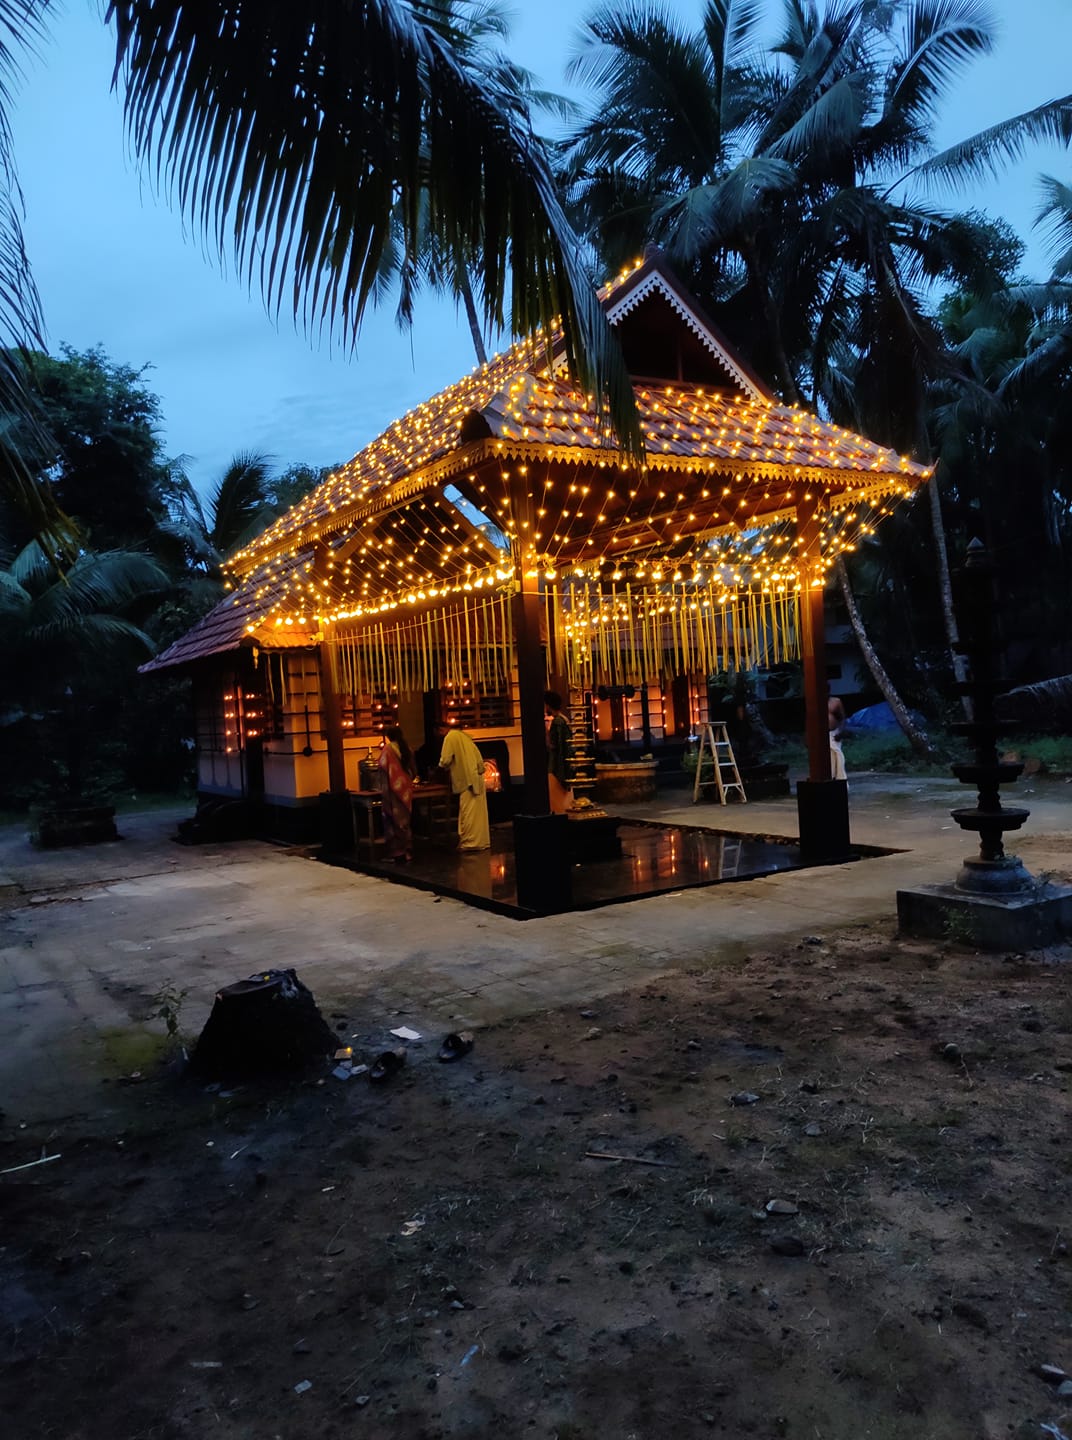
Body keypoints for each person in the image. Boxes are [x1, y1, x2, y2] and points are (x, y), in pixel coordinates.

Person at [435, 721, 490, 852]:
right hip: (476, 777)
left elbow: (445, 759)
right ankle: (481, 841)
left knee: (468, 813)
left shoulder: (450, 737)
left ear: (441, 729)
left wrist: (438, 770)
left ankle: (470, 842)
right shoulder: (465, 737)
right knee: (478, 813)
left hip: (467, 780)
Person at [378, 724, 417, 863]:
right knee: (404, 820)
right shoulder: (407, 748)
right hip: (405, 788)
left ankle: (396, 852)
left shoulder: (387, 750)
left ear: (388, 736)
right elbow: (413, 770)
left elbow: (382, 768)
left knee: (392, 820)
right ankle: (408, 850)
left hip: (392, 788)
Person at [544, 690, 574, 814]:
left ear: (549, 705)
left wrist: (546, 733)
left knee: (556, 800)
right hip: (564, 765)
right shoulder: (564, 719)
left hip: (556, 766)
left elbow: (553, 746)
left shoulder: (557, 722)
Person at [828, 694, 847, 781]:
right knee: (829, 760)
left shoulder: (836, 701)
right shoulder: (814, 702)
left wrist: (841, 731)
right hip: (821, 735)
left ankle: (841, 780)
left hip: (834, 733)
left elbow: (843, 718)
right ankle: (831, 779)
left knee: (838, 757)